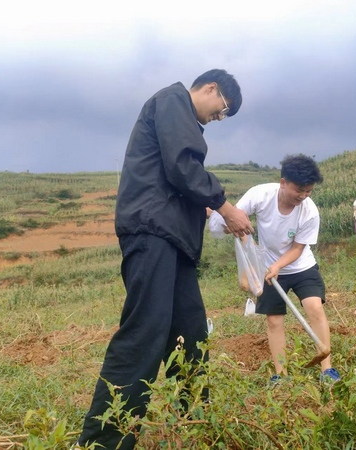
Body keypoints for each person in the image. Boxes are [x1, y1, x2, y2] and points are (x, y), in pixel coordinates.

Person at [76, 69, 254, 450]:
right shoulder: (173, 101)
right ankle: (104, 442)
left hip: (174, 241)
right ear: (210, 89)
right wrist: (223, 205)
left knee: (189, 334)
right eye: (221, 111)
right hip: (152, 234)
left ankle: (192, 425)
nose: (216, 119)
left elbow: (172, 176)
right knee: (146, 331)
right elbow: (181, 165)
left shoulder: (176, 113)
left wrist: (199, 207)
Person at [209, 154, 340, 383]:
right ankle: (281, 374)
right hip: (267, 266)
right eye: (299, 189)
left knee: (314, 307)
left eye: (308, 191)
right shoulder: (260, 195)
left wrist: (279, 265)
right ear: (283, 182)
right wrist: (225, 221)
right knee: (274, 320)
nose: (303, 196)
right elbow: (233, 217)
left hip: (300, 266)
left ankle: (327, 369)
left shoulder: (309, 211)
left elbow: (298, 248)